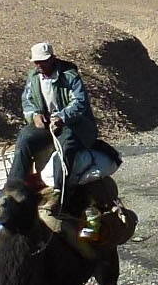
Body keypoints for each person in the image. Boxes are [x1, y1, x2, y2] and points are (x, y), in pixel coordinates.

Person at [9, 42, 96, 189]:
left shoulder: (70, 77)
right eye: (37, 62)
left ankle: (59, 191)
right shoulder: (33, 78)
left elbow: (80, 103)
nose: (40, 65)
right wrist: (35, 115)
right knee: (24, 138)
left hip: (73, 125)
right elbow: (27, 101)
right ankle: (15, 186)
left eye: (43, 61)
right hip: (47, 124)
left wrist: (61, 117)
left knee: (65, 148)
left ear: (52, 59)